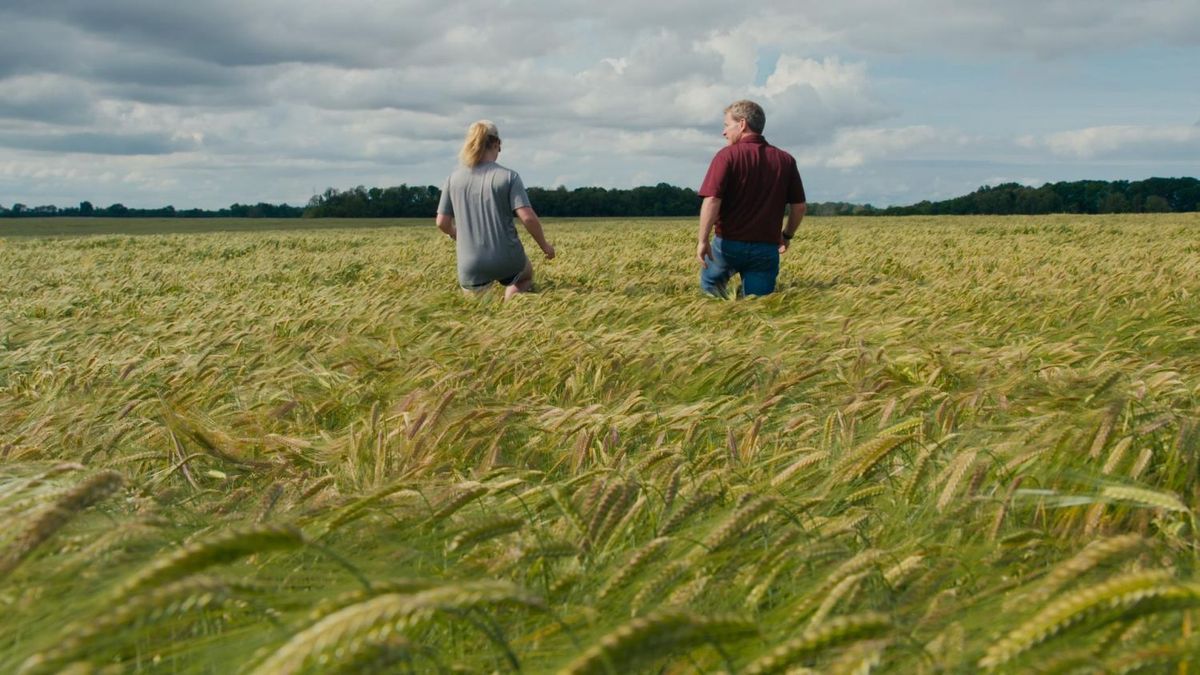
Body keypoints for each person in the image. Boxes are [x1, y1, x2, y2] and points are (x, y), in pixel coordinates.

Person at [696, 100, 807, 297]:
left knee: (709, 295)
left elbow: (712, 199)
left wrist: (703, 240)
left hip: (727, 246)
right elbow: (799, 207)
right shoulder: (786, 160)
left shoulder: (726, 156)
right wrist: (787, 236)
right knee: (758, 308)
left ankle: (717, 325)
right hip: (766, 249)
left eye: (726, 125)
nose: (724, 132)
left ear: (742, 124)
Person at [436, 120, 555, 300]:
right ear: (497, 144)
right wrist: (545, 246)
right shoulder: (509, 177)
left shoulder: (453, 179)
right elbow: (528, 218)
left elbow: (442, 222)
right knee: (525, 277)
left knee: (479, 313)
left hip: (471, 263)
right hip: (508, 259)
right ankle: (511, 304)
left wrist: (455, 233)